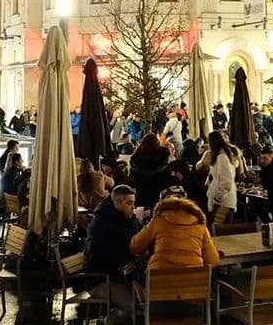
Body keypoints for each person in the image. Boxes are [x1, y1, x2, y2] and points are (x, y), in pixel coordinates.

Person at [85, 185, 143, 317]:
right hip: (101, 280)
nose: (133, 207)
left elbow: (138, 237)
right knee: (137, 309)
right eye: (129, 203)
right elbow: (124, 246)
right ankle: (113, 318)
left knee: (145, 303)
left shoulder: (124, 218)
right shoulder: (103, 222)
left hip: (119, 276)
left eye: (133, 203)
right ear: (117, 202)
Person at [129, 187, 219, 270]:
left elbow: (135, 247)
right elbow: (213, 261)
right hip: (192, 280)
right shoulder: (200, 225)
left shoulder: (158, 221)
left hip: (160, 279)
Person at [129, 133, 171, 210]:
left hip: (141, 193)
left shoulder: (136, 159)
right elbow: (168, 177)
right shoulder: (162, 158)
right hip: (159, 192)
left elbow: (132, 180)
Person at [204, 130, 239, 221]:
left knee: (219, 228)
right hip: (223, 202)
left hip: (222, 204)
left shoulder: (222, 157)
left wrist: (217, 197)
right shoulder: (224, 156)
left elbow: (226, 181)